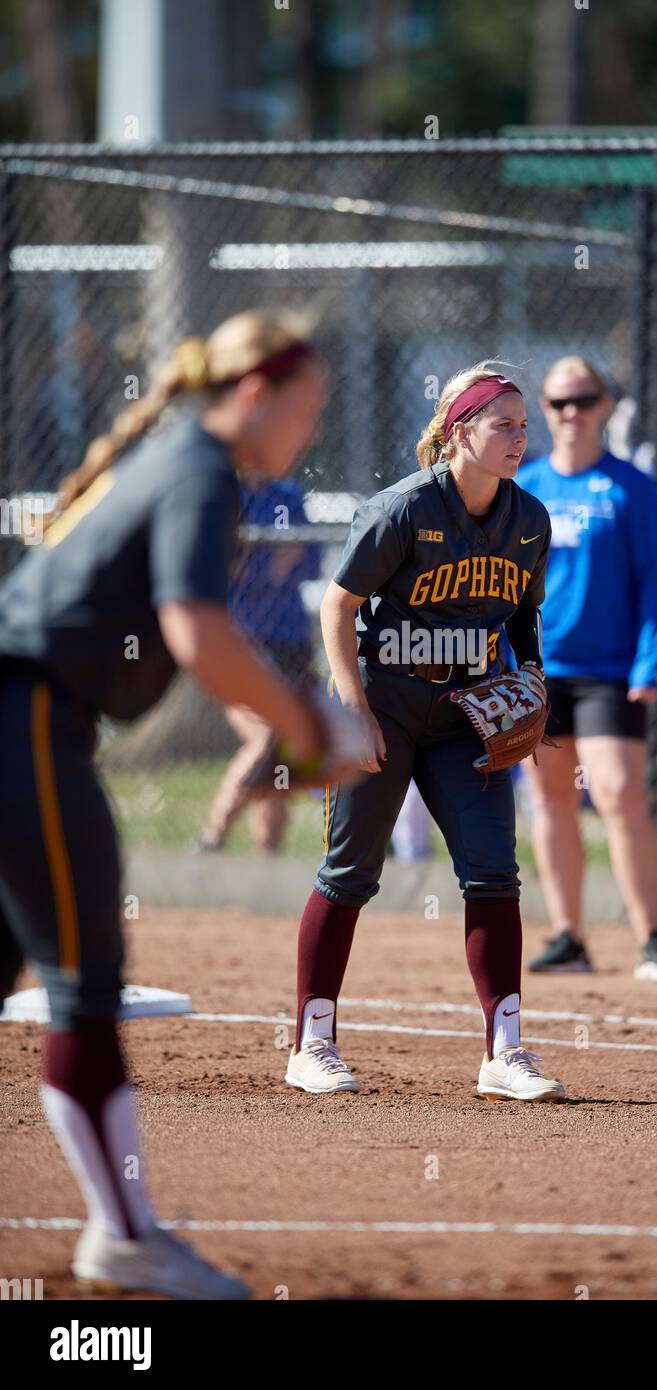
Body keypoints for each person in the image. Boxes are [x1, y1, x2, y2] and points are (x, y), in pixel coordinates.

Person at [0, 309, 363, 1299]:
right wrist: (305, 728)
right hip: (23, 720)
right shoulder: (200, 470)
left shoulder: (182, 461)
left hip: (30, 719)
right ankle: (124, 1237)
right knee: (85, 978)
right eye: (305, 407)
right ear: (254, 394)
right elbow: (198, 631)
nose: (308, 430)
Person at [286, 363, 567, 1102]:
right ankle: (312, 1043)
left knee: (492, 874)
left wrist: (533, 681)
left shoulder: (529, 520)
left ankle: (504, 1052)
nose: (518, 438)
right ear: (459, 430)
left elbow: (522, 615)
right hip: (385, 706)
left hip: (466, 717)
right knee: (349, 874)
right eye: (503, 424)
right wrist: (352, 707)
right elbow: (336, 607)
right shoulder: (404, 509)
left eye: (523, 426)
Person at [520, 356, 657, 981]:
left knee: (617, 791)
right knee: (549, 798)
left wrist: (652, 662)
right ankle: (569, 936)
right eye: (560, 401)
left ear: (605, 407)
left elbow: (656, 584)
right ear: (544, 407)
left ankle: (653, 938)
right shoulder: (527, 486)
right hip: (540, 670)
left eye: (584, 400)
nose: (572, 413)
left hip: (611, 670)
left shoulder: (631, 488)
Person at [194, 471, 321, 854]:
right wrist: (270, 564)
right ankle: (212, 837)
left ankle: (269, 854)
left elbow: (310, 563)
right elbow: (224, 569)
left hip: (291, 638)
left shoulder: (288, 494)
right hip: (240, 638)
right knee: (266, 734)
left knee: (283, 745)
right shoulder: (225, 491)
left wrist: (261, 562)